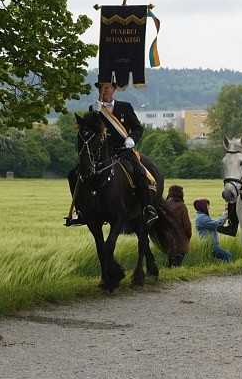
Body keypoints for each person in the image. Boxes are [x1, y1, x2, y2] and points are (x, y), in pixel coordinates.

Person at [66, 73, 157, 226]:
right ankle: (81, 210)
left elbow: (137, 128)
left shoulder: (125, 107)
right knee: (74, 174)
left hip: (123, 150)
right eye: (102, 88)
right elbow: (88, 130)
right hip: (101, 152)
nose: (105, 90)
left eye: (107, 87)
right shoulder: (95, 109)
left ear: (114, 89)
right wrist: (91, 113)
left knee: (140, 172)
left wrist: (131, 139)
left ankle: (147, 208)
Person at [193, 198, 233, 263]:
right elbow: (216, 224)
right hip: (209, 246)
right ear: (202, 206)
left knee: (224, 258)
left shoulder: (202, 216)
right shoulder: (202, 218)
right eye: (207, 205)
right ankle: (227, 271)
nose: (209, 207)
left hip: (210, 245)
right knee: (228, 256)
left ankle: (224, 270)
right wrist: (224, 216)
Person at [163, 185, 192, 267]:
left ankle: (170, 276)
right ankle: (175, 276)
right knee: (177, 263)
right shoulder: (182, 206)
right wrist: (188, 235)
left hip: (167, 238)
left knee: (170, 263)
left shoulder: (165, 205)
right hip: (180, 239)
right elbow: (187, 225)